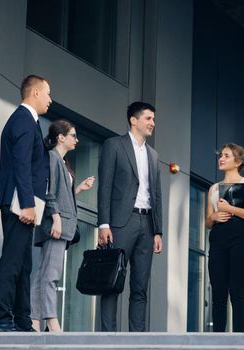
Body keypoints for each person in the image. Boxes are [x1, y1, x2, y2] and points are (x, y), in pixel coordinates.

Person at [0, 75, 51, 332]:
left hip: (23, 202)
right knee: (13, 262)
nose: (51, 99)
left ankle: (22, 320)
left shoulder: (27, 121)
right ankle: (3, 319)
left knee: (24, 263)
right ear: (35, 93)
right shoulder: (24, 120)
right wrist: (27, 204)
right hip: (20, 203)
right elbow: (21, 164)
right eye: (48, 93)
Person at [97, 101, 163, 332]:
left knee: (140, 286)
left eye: (153, 119)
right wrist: (103, 224)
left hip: (147, 224)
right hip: (120, 223)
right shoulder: (114, 145)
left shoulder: (153, 155)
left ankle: (138, 340)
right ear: (133, 120)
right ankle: (107, 339)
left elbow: (157, 194)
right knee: (112, 282)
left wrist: (158, 231)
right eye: (148, 118)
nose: (152, 123)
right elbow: (104, 187)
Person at [30, 119, 95, 332]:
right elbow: (48, 192)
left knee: (44, 273)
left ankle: (36, 321)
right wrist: (56, 218)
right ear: (61, 137)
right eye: (73, 135)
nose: (77, 139)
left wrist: (79, 189)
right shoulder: (52, 157)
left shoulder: (63, 161)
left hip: (61, 224)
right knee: (50, 274)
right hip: (56, 226)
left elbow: (60, 194)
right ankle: (50, 319)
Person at [205, 144, 244, 332]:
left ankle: (239, 338)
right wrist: (213, 217)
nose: (221, 158)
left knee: (236, 291)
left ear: (237, 161)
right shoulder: (213, 188)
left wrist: (230, 209)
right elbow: (207, 221)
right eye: (220, 155)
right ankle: (217, 339)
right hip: (217, 240)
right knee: (218, 293)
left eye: (226, 155)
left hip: (240, 239)